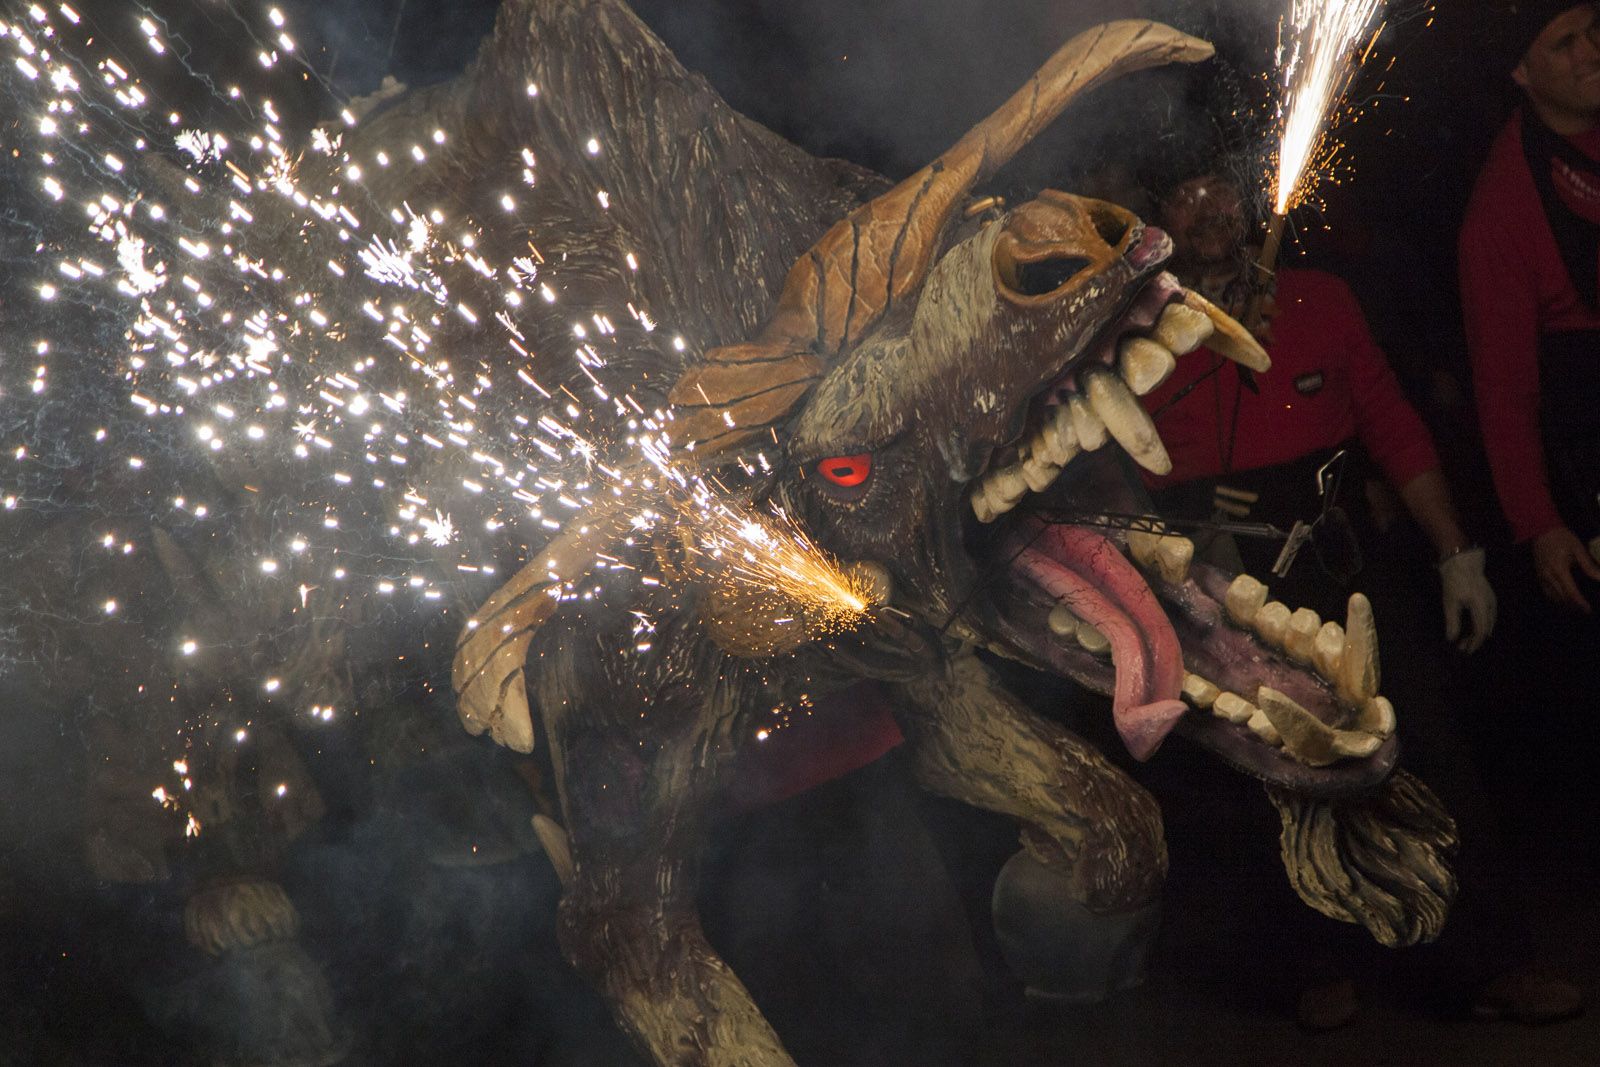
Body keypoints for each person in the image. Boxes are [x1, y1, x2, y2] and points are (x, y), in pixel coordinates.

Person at [1132, 156, 1582, 1028]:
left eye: (1222, 188)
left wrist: (1458, 553)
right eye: (1186, 192)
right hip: (1224, 574)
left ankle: (1491, 962)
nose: (1212, 209)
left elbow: (1392, 425)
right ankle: (1309, 965)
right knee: (1267, 768)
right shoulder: (1138, 332)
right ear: (1157, 215)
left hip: (1343, 560)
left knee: (1423, 748)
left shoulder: (1321, 298)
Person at [1462, 1, 1600, 614]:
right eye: (1565, 44)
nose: (1591, 53)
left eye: (1594, 31)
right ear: (1521, 73)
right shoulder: (1502, 207)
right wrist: (1539, 523)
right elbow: (1503, 387)